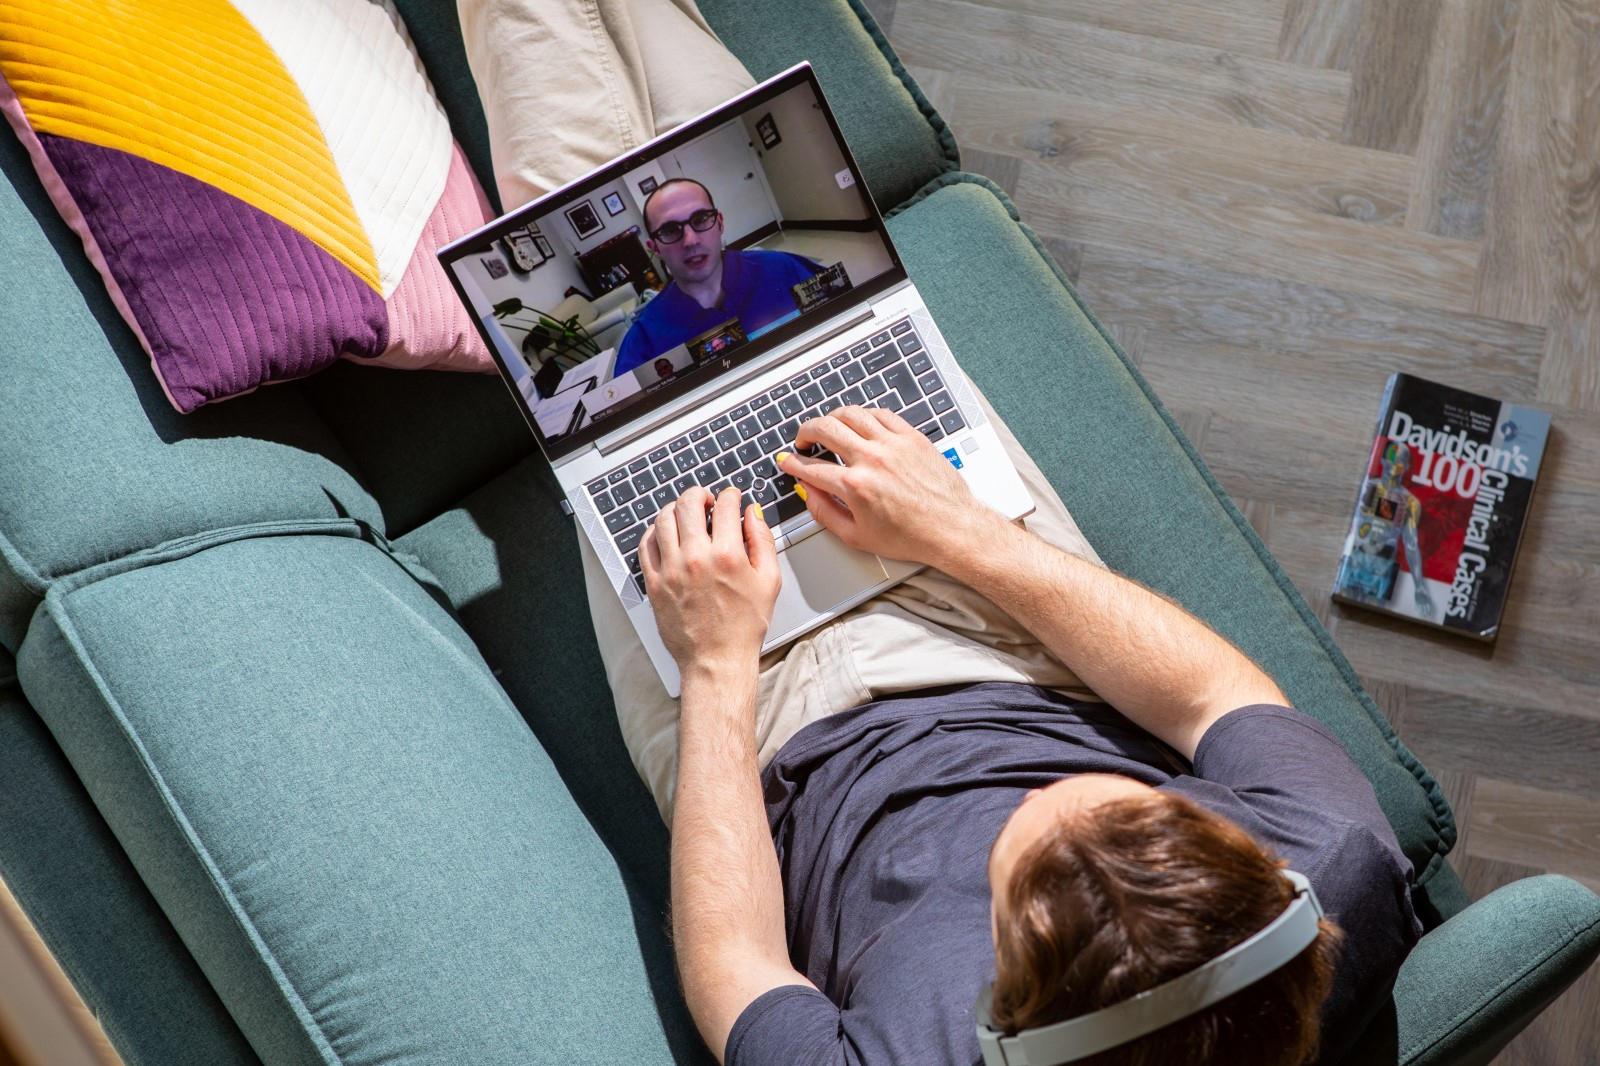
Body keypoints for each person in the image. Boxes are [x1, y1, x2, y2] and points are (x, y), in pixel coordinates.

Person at [579, 399, 1421, 1066]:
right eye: (1138, 805)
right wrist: (959, 529)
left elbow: (738, 967)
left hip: (762, 734)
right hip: (1026, 643)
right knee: (828, 333)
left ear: (1009, 1021)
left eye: (1014, 861)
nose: (1034, 792)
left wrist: (716, 662)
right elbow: (1215, 698)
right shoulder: (1334, 871)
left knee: (607, 425)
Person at [613, 178, 821, 375]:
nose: (690, 241)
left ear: (719, 223)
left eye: (701, 219)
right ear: (655, 248)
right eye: (669, 230)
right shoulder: (643, 344)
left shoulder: (782, 268)